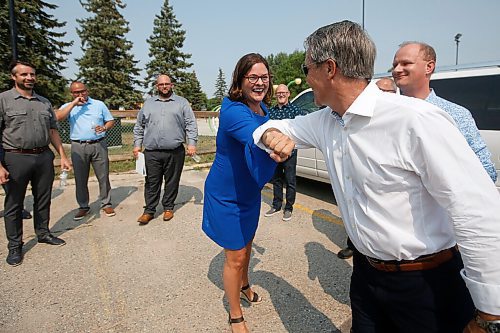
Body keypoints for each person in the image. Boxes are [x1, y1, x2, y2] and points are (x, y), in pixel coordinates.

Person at [253, 21, 500, 332]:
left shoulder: (415, 120)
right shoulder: (327, 121)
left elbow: (478, 213)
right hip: (366, 277)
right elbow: (266, 129)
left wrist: (489, 315)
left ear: (329, 68)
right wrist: (271, 134)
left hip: (427, 286)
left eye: (307, 68)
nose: (307, 78)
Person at [202, 53, 277, 333]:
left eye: (264, 77)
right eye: (253, 77)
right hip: (226, 195)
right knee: (234, 256)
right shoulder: (233, 109)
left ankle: (245, 285)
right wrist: (275, 142)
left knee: (247, 244)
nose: (260, 83)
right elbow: (254, 136)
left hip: (249, 193)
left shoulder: (263, 110)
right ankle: (235, 316)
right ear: (240, 80)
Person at [392, 41, 497, 182]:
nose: (397, 70)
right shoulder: (386, 112)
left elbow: (485, 169)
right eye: (395, 65)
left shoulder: (455, 114)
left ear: (429, 67)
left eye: (406, 63)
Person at [0, 60, 72, 266]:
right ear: (13, 77)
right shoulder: (3, 100)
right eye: (24, 74)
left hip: (43, 156)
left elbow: (52, 131)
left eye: (32, 74)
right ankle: (15, 246)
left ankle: (43, 233)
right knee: (14, 204)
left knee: (43, 199)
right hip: (15, 157)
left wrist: (62, 156)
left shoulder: (43, 102)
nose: (29, 78)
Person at [337, 77, 397, 260]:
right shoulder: (361, 117)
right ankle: (354, 245)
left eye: (386, 92)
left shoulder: (412, 116)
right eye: (377, 91)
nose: (380, 97)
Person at [133, 74, 198, 224]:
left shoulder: (181, 103)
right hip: (152, 152)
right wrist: (137, 145)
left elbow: (190, 124)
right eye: (161, 84)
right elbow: (139, 126)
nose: (164, 86)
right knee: (152, 182)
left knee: (172, 181)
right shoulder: (148, 104)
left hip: (175, 151)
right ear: (157, 86)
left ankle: (168, 207)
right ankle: (149, 210)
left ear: (172, 85)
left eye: (167, 84)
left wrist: (192, 143)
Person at [56, 81, 116, 220]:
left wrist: (105, 128)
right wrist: (73, 104)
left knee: (103, 176)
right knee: (80, 178)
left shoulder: (98, 104)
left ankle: (106, 203)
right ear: (72, 93)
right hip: (78, 146)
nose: (80, 94)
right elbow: (58, 117)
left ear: (87, 91)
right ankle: (83, 206)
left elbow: (110, 120)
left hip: (98, 144)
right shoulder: (68, 106)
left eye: (83, 91)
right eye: (76, 92)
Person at [264, 84, 305, 221]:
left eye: (283, 93)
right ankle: (276, 205)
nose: (281, 95)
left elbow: (301, 129)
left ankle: (289, 208)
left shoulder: (296, 111)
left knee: (290, 180)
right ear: (276, 95)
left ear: (288, 94)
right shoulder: (271, 112)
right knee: (276, 180)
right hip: (274, 152)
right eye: (278, 93)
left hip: (290, 152)